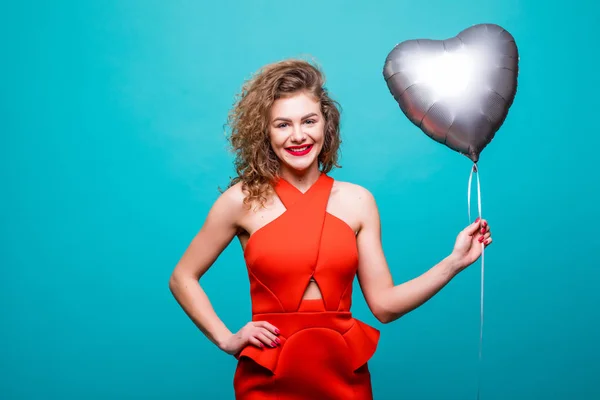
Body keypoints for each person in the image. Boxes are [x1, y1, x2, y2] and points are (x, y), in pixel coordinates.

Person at [168, 58, 492, 399]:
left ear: (326, 124)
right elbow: (182, 277)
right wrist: (226, 338)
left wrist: (453, 262)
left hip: (343, 377)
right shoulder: (241, 200)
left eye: (309, 121)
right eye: (282, 124)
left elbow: (384, 305)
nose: (298, 136)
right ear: (264, 131)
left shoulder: (358, 201)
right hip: (268, 377)